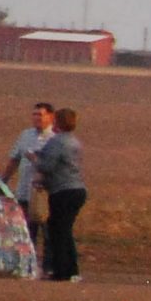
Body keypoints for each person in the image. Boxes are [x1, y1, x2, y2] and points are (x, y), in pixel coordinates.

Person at [35, 107, 86, 283]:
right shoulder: (74, 141)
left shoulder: (57, 141)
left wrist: (35, 159)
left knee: (57, 231)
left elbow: (46, 166)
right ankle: (71, 271)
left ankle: (61, 272)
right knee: (64, 229)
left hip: (63, 191)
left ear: (58, 122)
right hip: (77, 189)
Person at [3, 101, 53, 268]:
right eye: (35, 114)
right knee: (25, 231)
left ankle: (48, 266)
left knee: (47, 232)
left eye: (41, 115)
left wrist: (36, 160)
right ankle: (26, 265)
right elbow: (14, 159)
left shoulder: (54, 138)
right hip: (24, 191)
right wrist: (3, 180)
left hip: (42, 194)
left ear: (50, 117)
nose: (37, 118)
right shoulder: (26, 135)